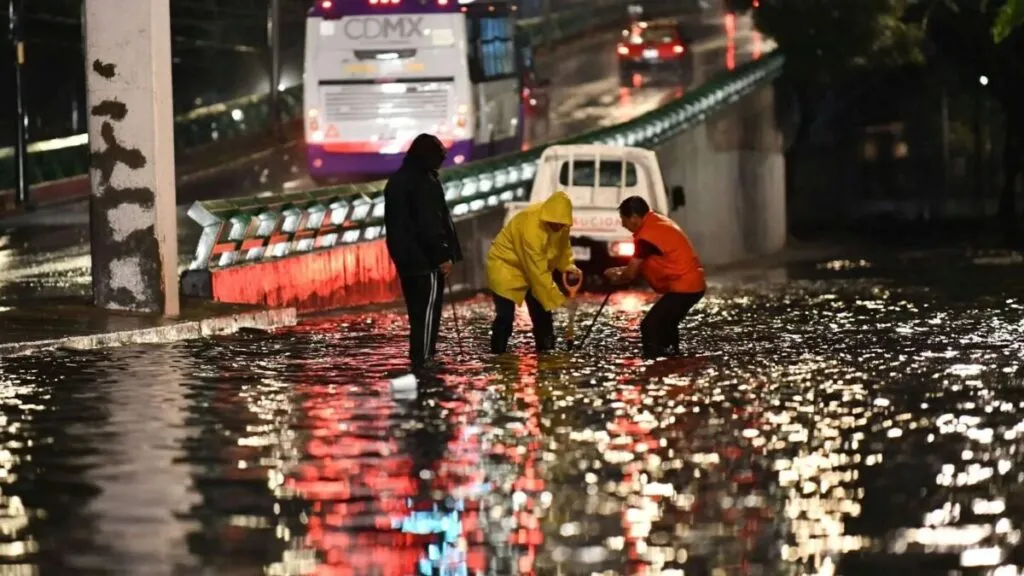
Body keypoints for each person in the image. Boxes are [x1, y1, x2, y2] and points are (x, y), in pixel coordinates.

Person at [384, 133, 463, 369]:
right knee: (428, 313)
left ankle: (418, 356)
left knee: (417, 315)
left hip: (405, 260)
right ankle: (425, 358)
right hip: (426, 260)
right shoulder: (424, 182)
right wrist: (443, 255)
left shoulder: (397, 181)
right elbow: (430, 223)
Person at [604, 195, 705, 358]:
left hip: (684, 287)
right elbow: (639, 266)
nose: (623, 225)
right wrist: (619, 271)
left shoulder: (646, 236)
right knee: (666, 324)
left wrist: (616, 277)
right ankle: (673, 361)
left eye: (623, 220)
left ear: (635, 218)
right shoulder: (656, 223)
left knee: (651, 326)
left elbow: (630, 274)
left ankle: (654, 364)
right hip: (692, 285)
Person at [487, 190, 582, 353]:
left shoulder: (562, 224)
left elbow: (563, 248)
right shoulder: (530, 227)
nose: (558, 227)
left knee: (543, 315)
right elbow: (538, 273)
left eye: (562, 224)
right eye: (555, 223)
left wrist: (568, 266)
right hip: (506, 267)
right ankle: (498, 355)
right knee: (505, 317)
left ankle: (547, 353)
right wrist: (561, 300)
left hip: (533, 270)